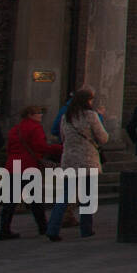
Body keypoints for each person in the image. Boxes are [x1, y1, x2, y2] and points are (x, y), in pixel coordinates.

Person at [46, 87, 109, 241]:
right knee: (87, 196)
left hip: (69, 159)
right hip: (87, 160)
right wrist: (100, 118)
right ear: (87, 100)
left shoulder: (66, 116)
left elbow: (62, 137)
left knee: (65, 195)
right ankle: (86, 229)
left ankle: (53, 228)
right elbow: (103, 138)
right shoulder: (91, 116)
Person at [0, 105, 59, 239]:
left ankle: (4, 229)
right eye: (38, 113)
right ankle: (43, 227)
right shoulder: (35, 127)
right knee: (35, 199)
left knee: (10, 201)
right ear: (30, 115)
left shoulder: (16, 129)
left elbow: (9, 148)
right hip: (28, 166)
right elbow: (41, 146)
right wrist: (57, 148)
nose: (41, 115)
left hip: (13, 165)